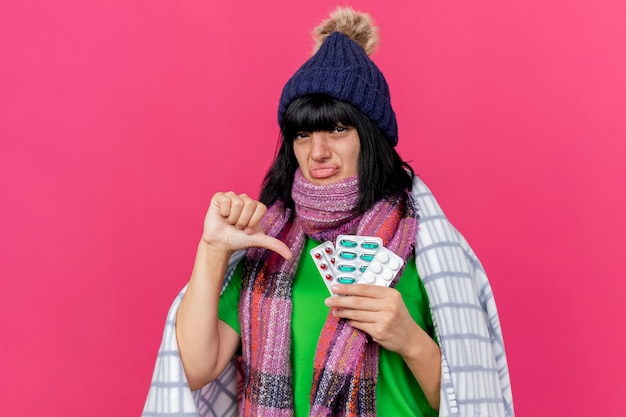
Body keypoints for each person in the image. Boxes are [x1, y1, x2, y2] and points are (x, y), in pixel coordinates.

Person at [143, 6, 514, 417]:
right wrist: (212, 249)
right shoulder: (268, 242)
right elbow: (195, 369)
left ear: (370, 135)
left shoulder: (426, 244)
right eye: (302, 134)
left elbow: (473, 397)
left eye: (338, 129)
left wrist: (408, 337)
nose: (317, 152)